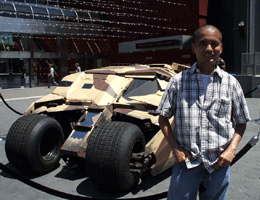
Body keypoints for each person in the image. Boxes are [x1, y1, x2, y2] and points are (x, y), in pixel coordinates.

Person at [157, 24, 251, 199]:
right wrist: (175, 149)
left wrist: (231, 150)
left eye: (214, 44)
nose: (209, 49)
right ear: (194, 47)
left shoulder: (231, 84)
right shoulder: (178, 82)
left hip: (219, 165)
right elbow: (162, 118)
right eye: (203, 43)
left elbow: (241, 122)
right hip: (186, 163)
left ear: (221, 48)